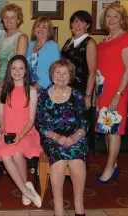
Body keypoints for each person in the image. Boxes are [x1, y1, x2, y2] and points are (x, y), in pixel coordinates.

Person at [35, 59, 88, 216]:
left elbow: (85, 123)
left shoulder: (77, 95)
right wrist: (57, 137)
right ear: (52, 75)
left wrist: (73, 138)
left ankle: (79, 206)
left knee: (77, 159)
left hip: (75, 137)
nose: (61, 76)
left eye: (65, 73)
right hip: (51, 138)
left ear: (70, 77)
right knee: (59, 158)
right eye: (58, 72)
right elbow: (40, 124)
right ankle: (58, 208)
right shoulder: (43, 96)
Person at [0, 55, 42, 208]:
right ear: (9, 70)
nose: (17, 71)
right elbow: (0, 114)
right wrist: (2, 127)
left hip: (26, 132)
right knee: (6, 156)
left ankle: (24, 190)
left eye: (21, 68)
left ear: (26, 70)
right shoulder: (3, 89)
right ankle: (26, 191)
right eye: (14, 68)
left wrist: (20, 136)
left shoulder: (32, 91)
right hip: (8, 131)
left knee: (18, 152)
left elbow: (31, 119)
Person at [95, 3, 128, 184]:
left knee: (114, 131)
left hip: (117, 91)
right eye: (108, 16)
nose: (111, 20)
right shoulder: (104, 40)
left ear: (122, 19)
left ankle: (109, 169)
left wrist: (118, 94)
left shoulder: (127, 39)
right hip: (103, 90)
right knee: (106, 129)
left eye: (115, 16)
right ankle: (114, 165)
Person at [61, 10, 98, 152]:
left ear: (87, 25)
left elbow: (92, 72)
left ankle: (80, 157)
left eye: (81, 21)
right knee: (67, 124)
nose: (77, 24)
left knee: (80, 126)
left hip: (81, 90)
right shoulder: (68, 42)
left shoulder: (90, 43)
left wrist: (88, 96)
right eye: (74, 21)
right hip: (67, 89)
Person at [0, 3, 28, 88]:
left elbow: (18, 65)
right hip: (0, 81)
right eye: (6, 17)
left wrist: (3, 83)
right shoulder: (1, 38)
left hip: (13, 82)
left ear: (18, 20)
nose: (9, 20)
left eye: (12, 17)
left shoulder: (22, 38)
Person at [26, 16, 60, 90]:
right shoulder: (30, 45)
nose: (40, 29)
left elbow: (54, 70)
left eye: (44, 27)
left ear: (49, 31)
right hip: (29, 86)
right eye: (38, 26)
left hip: (46, 87)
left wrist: (36, 87)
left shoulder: (52, 46)